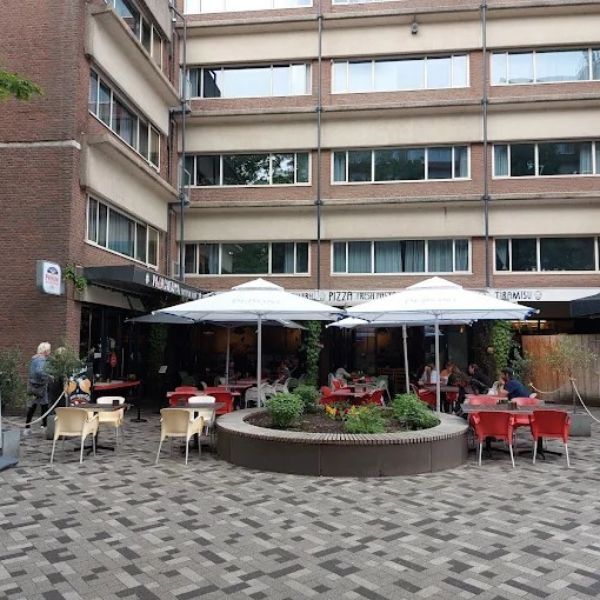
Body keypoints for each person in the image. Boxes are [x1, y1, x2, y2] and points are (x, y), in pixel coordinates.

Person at [25, 342, 52, 432]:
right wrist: (48, 376)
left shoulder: (34, 358)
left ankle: (27, 426)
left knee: (33, 406)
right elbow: (39, 371)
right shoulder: (41, 359)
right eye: (49, 350)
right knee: (44, 405)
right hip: (40, 386)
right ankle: (44, 426)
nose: (50, 352)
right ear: (45, 350)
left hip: (32, 385)